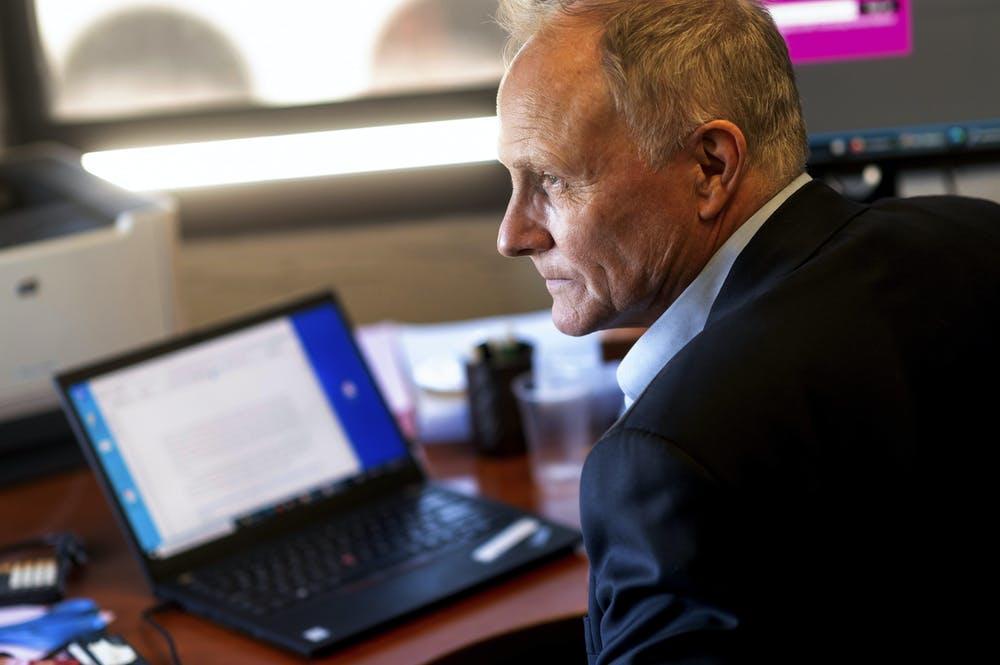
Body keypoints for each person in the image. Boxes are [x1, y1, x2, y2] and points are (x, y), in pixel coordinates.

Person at [494, 0, 1000, 662]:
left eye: (551, 180)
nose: (513, 234)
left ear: (710, 165)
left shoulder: (666, 456)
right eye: (513, 182)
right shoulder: (978, 234)